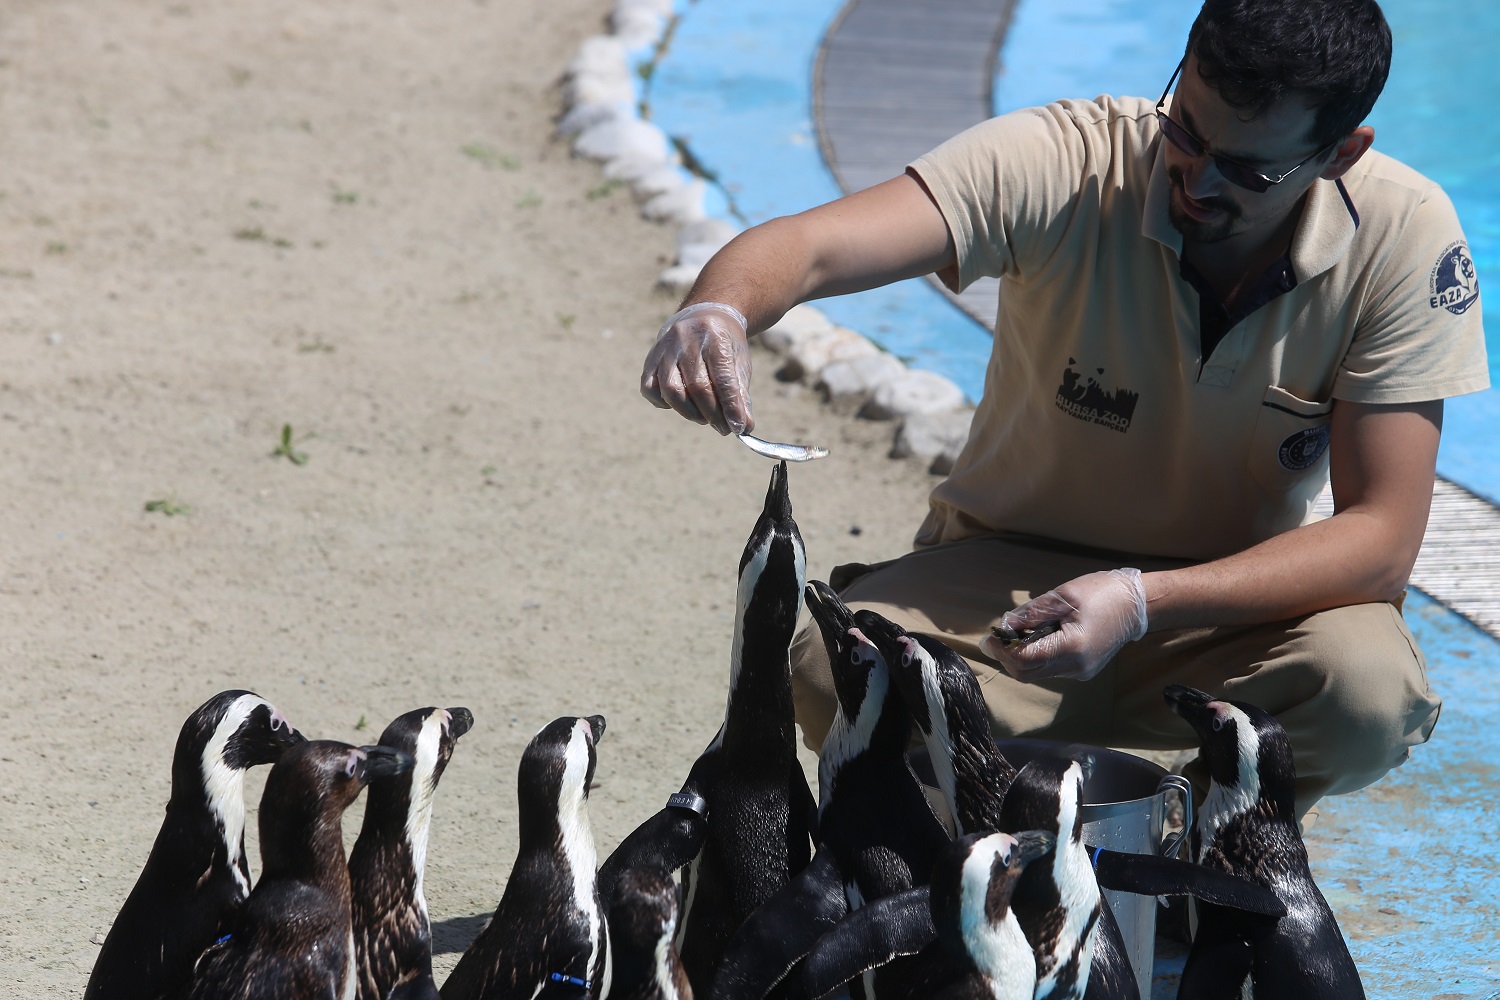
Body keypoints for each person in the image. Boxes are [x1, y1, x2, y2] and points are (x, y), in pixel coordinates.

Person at [638, 0, 1487, 820]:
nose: (1196, 176)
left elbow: (1381, 542)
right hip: (1006, 590)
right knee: (829, 665)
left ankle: (1203, 844)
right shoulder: (1066, 158)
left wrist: (1145, 598)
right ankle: (979, 840)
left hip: (1222, 611)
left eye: (1247, 170)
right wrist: (719, 309)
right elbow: (812, 247)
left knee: (1369, 692)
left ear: (1341, 152)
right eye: (1186, 130)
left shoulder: (1405, 237)